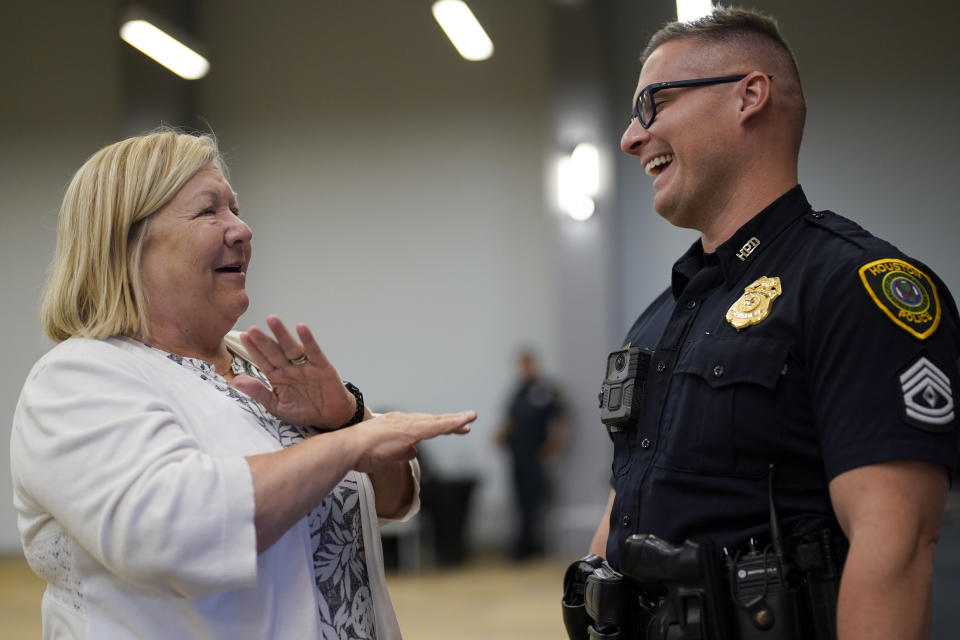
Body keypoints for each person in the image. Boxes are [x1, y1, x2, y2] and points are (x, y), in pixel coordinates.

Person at [10, 129, 477, 639]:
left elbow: (394, 499)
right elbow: (173, 534)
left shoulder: (252, 359)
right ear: (127, 242)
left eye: (236, 208)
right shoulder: (79, 377)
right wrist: (350, 441)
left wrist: (345, 416)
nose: (242, 229)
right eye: (210, 211)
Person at [587, 7, 958, 639]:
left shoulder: (855, 287)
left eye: (653, 104)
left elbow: (896, 546)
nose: (630, 137)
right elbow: (625, 503)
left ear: (748, 96)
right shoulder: (663, 317)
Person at [495, 349, 569, 560]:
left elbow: (562, 419)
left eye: (527, 364)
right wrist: (500, 436)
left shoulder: (547, 390)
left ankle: (533, 546)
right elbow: (509, 420)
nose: (523, 369)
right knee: (519, 501)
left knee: (535, 500)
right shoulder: (517, 392)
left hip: (536, 455)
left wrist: (554, 445)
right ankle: (522, 545)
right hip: (517, 455)